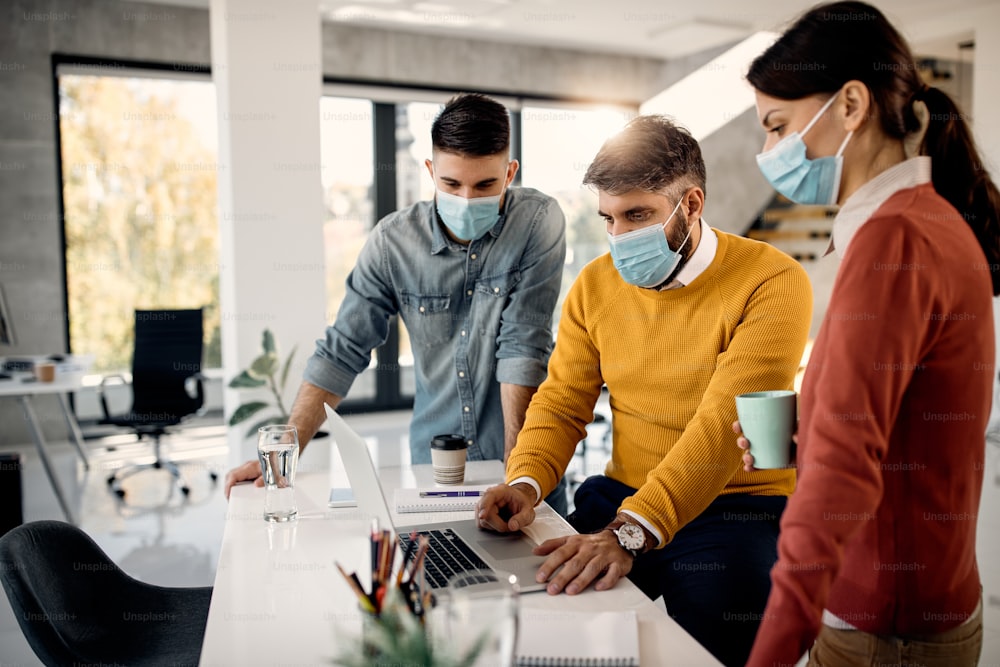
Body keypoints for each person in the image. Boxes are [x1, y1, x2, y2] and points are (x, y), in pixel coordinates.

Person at [477, 114, 813, 666]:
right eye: (608, 218)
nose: (619, 236)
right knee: (537, 605)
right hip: (623, 494)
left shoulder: (771, 281)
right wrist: (525, 480)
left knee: (720, 632)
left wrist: (631, 533)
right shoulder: (594, 285)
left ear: (692, 204)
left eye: (638, 215)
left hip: (735, 509)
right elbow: (562, 402)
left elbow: (722, 426)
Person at [735, 3, 1000, 665]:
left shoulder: (895, 238)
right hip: (921, 603)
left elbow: (844, 472)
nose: (771, 152)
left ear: (851, 104)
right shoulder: (929, 219)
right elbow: (895, 416)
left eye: (779, 126)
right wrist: (811, 423)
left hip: (884, 626)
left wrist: (769, 651)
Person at [225, 93, 569, 515]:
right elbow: (343, 349)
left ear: (510, 172)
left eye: (484, 185)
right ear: (430, 170)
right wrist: (282, 458)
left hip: (526, 464)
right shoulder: (393, 243)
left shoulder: (538, 222)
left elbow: (523, 346)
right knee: (438, 573)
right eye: (451, 183)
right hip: (436, 469)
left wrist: (517, 480)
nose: (466, 199)